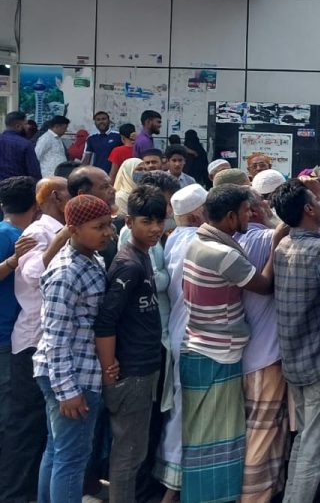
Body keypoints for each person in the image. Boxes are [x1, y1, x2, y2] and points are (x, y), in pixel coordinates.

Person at [179, 184, 278, 503]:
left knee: (206, 437)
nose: (252, 216)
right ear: (232, 216)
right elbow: (264, 285)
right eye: (247, 211)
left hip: (204, 348)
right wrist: (277, 241)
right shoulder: (222, 254)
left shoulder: (199, 243)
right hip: (217, 353)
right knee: (215, 439)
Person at [271, 180, 320, 502]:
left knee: (304, 439)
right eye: (316, 203)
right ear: (308, 209)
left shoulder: (283, 247)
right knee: (313, 448)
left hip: (293, 360)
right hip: (318, 361)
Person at [33, 195, 115, 503]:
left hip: (78, 372)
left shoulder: (92, 259)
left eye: (108, 225)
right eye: (98, 227)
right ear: (73, 229)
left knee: (58, 451)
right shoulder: (65, 272)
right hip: (72, 376)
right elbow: (55, 336)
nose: (107, 232)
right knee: (71, 459)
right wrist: (67, 390)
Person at [94, 186, 167, 503]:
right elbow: (106, 320)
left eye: (159, 221)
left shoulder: (144, 255)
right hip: (131, 372)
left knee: (135, 451)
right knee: (128, 454)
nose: (155, 229)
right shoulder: (129, 264)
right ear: (128, 222)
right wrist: (109, 368)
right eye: (146, 222)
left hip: (143, 367)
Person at [0, 178, 64, 499]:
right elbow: (36, 275)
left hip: (17, 336)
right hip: (15, 338)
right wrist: (12, 261)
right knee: (19, 422)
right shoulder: (20, 236)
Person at [155, 184, 209, 501]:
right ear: (197, 214)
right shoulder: (198, 241)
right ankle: (173, 488)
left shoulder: (174, 238)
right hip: (192, 333)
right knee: (186, 407)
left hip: (180, 330)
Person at [236, 189, 289, 503]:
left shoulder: (232, 242)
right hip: (265, 357)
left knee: (263, 431)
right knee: (262, 433)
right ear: (252, 211)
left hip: (248, 353)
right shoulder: (267, 238)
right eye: (263, 203)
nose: (269, 207)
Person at [0, 177, 38, 495]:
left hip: (10, 334)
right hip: (6, 337)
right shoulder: (14, 237)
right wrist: (12, 261)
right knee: (10, 418)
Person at [0, 111, 42, 180]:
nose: (28, 126)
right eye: (26, 124)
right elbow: (34, 172)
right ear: (18, 126)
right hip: (18, 185)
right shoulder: (25, 144)